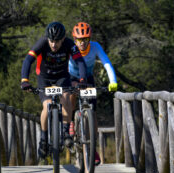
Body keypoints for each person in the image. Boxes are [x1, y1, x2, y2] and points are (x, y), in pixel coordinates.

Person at [20, 22, 87, 159]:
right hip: (44, 78)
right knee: (47, 105)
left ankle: (66, 131)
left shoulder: (69, 44)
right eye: (51, 41)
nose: (54, 45)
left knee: (67, 97)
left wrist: (82, 80)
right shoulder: (42, 43)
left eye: (57, 41)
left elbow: (80, 61)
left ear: (63, 39)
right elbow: (28, 60)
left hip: (62, 77)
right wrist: (24, 80)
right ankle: (44, 139)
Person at [68, 22, 118, 165]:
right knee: (71, 93)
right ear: (75, 39)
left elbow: (106, 63)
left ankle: (92, 147)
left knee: (93, 111)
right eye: (79, 39)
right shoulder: (70, 47)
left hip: (88, 78)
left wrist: (112, 81)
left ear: (89, 39)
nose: (82, 43)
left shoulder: (95, 47)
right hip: (71, 76)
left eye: (85, 39)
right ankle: (72, 121)